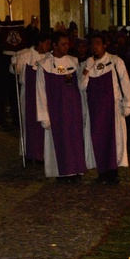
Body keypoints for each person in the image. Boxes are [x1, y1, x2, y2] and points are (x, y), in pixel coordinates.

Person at [80, 32, 130, 184]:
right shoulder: (86, 63)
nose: (95, 46)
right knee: (97, 139)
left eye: (98, 43)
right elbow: (82, 86)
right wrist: (87, 70)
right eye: (92, 43)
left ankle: (112, 172)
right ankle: (102, 172)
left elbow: (125, 82)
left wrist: (127, 103)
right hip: (94, 109)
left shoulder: (115, 61)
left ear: (105, 45)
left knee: (113, 139)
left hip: (112, 108)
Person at [36, 30, 83, 181]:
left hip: (73, 110)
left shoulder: (73, 62)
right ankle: (62, 172)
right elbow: (40, 91)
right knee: (60, 142)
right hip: (56, 111)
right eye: (63, 44)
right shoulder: (44, 65)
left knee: (75, 140)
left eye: (67, 44)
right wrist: (44, 116)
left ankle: (76, 170)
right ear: (54, 45)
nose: (66, 47)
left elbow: (80, 87)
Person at [11, 30, 51, 162]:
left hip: (44, 95)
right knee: (28, 123)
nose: (48, 46)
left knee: (43, 123)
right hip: (28, 94)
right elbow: (15, 70)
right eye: (47, 43)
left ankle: (41, 154)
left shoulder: (49, 56)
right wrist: (14, 62)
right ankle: (28, 153)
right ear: (40, 43)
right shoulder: (26, 54)